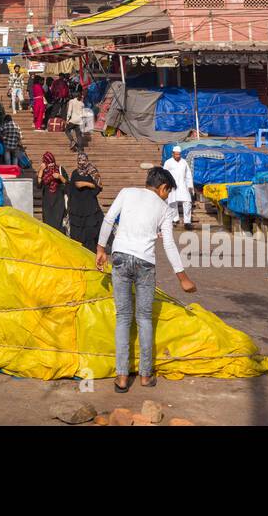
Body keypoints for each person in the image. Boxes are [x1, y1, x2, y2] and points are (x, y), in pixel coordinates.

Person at [97, 166, 197, 391]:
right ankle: (145, 375)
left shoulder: (126, 192)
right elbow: (169, 243)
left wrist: (100, 249)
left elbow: (109, 220)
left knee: (123, 317)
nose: (167, 196)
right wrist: (182, 278)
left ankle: (122, 376)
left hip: (120, 256)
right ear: (163, 188)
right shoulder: (164, 210)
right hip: (145, 263)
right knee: (144, 318)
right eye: (168, 192)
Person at [67, 152, 104, 251]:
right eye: (79, 160)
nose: (82, 162)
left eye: (84, 160)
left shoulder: (93, 172)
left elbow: (98, 187)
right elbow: (71, 189)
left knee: (90, 231)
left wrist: (86, 184)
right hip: (77, 207)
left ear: (87, 160)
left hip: (89, 207)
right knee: (77, 232)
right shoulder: (75, 173)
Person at [163, 144, 194, 230]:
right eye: (176, 154)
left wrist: (190, 185)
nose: (178, 156)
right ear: (172, 154)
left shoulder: (184, 162)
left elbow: (188, 174)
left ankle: (187, 222)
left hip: (183, 185)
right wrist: (166, 185)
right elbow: (164, 174)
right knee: (172, 203)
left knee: (187, 202)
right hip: (172, 186)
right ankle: (175, 219)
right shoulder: (168, 162)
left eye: (179, 154)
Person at [38, 150, 67, 234]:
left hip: (58, 201)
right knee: (48, 226)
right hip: (47, 203)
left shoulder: (60, 169)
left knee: (58, 225)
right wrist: (41, 170)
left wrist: (60, 177)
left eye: (52, 163)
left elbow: (67, 183)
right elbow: (39, 185)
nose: (51, 165)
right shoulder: (43, 171)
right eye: (49, 163)